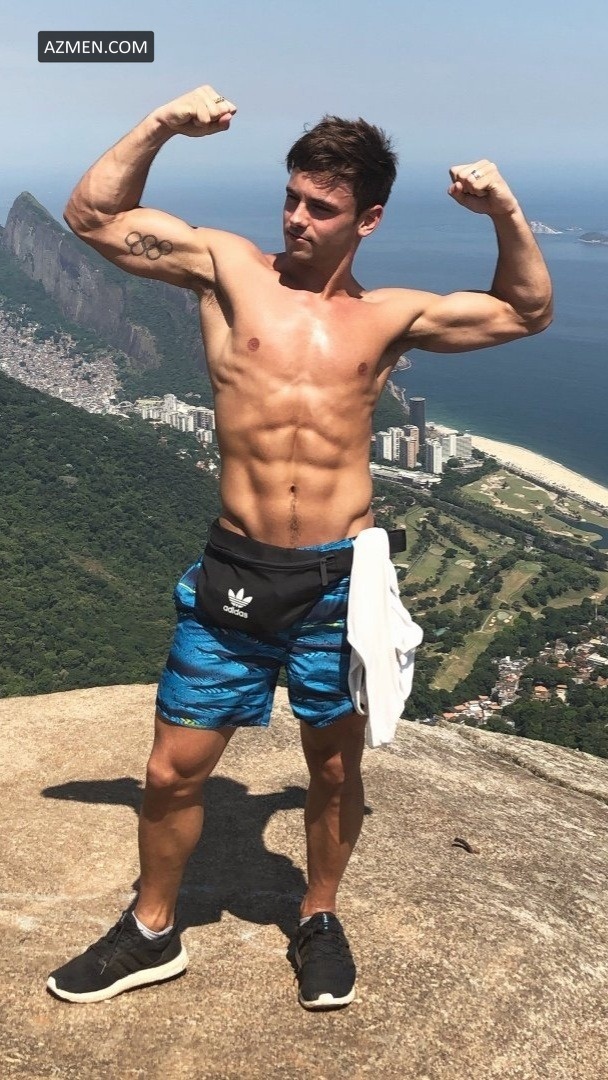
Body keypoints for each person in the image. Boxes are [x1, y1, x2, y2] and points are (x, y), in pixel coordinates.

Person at [47, 84, 552, 1009]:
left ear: (369, 219)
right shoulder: (227, 270)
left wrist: (504, 210)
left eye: (321, 207)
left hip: (337, 583)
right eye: (292, 197)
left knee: (334, 767)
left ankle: (318, 916)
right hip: (237, 571)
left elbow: (525, 311)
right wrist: (164, 122)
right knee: (171, 769)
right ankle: (152, 929)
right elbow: (93, 218)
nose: (296, 219)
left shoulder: (389, 317)